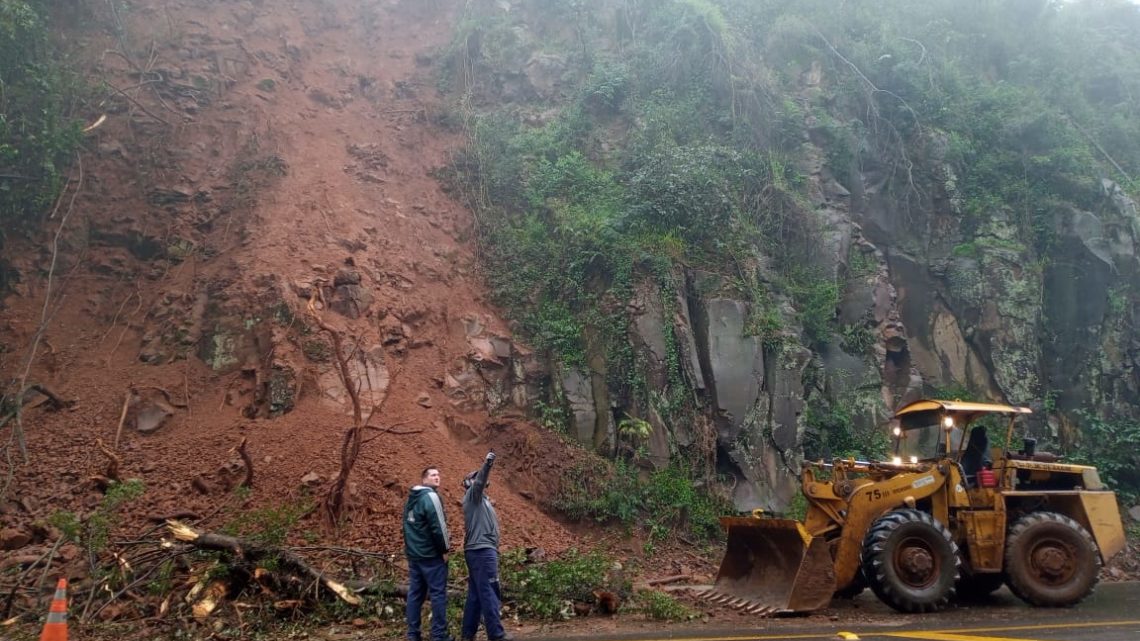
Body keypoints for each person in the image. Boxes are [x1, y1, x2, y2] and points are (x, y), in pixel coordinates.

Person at [460, 451, 512, 641]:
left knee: (475, 595)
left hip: (479, 550)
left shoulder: (481, 501)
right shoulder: (472, 495)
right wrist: (488, 463)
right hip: (481, 551)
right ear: (469, 483)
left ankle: (468, 634)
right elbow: (480, 481)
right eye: (474, 479)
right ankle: (496, 634)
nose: (480, 482)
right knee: (491, 590)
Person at [403, 466, 454, 641]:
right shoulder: (431, 497)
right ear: (424, 479)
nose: (437, 477)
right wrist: (445, 550)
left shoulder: (411, 498)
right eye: (433, 475)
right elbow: (439, 527)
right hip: (431, 556)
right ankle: (439, 635)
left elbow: (408, 528)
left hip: (415, 556)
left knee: (415, 594)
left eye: (438, 474)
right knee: (438, 594)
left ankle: (412, 634)